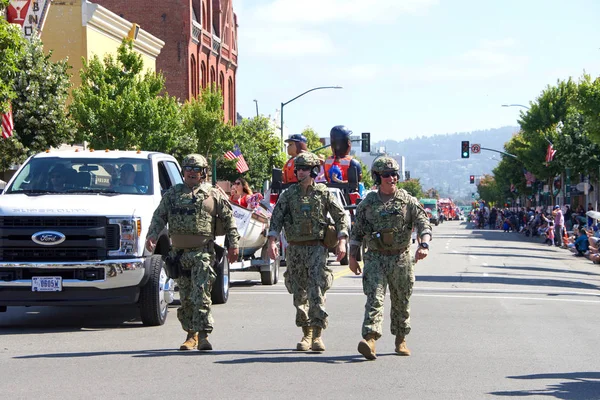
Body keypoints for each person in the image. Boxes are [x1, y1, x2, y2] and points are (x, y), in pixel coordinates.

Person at [145, 154, 240, 351]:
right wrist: (151, 236)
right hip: (179, 255)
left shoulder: (213, 194)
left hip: (203, 253)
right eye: (188, 168)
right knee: (186, 297)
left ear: (203, 172)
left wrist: (234, 244)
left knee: (202, 294)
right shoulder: (173, 194)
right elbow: (159, 217)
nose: (191, 172)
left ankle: (204, 335)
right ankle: (191, 335)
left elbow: (229, 219)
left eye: (196, 169)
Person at [349, 156, 432, 360]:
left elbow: (424, 223)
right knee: (374, 299)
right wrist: (352, 257)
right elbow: (357, 232)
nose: (392, 178)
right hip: (375, 258)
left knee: (401, 301)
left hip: (401, 258)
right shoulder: (367, 204)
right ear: (377, 177)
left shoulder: (408, 201)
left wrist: (424, 244)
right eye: (387, 175)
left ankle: (400, 339)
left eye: (395, 174)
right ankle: (370, 340)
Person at [267, 152, 349, 352]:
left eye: (304, 169)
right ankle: (306, 332)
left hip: (316, 248)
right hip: (294, 249)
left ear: (313, 171)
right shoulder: (289, 194)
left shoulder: (323, 193)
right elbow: (276, 218)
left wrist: (342, 240)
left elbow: (340, 216)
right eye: (298, 169)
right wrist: (272, 240)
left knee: (316, 290)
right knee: (298, 292)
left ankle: (317, 334)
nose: (300, 172)